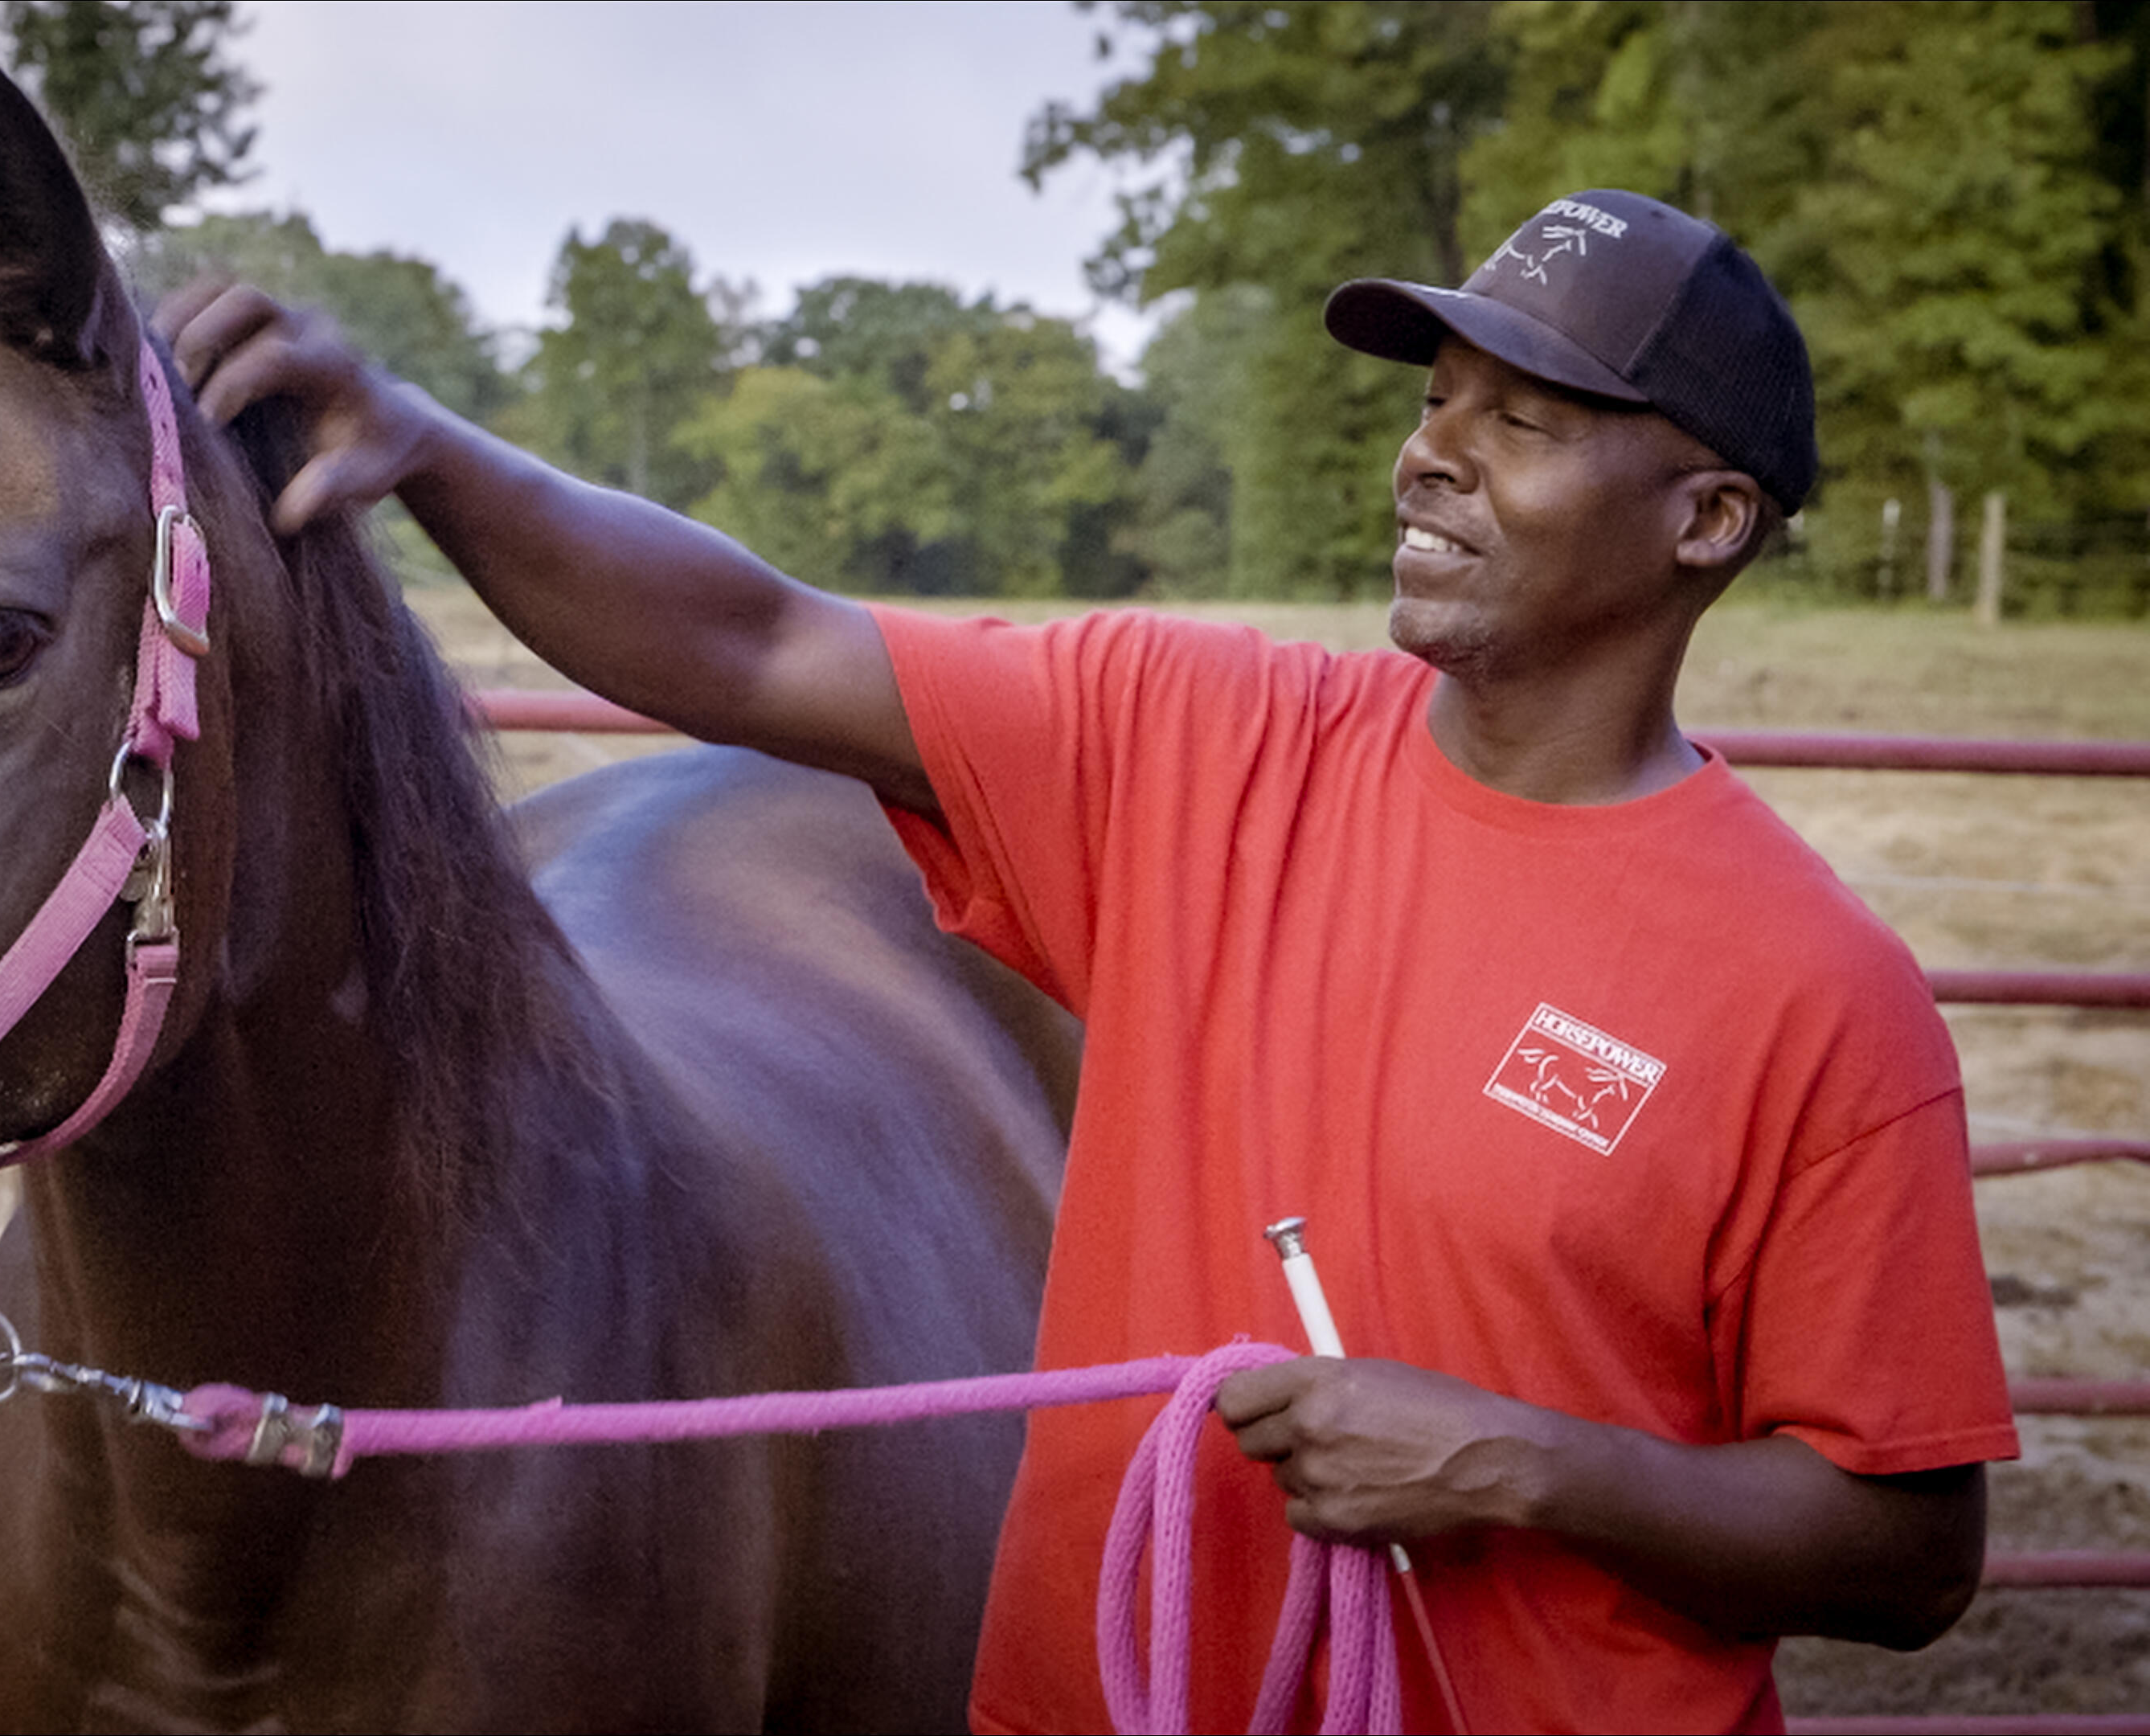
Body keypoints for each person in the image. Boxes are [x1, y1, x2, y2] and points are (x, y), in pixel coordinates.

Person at [163, 189, 2017, 1734]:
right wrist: (431, 450)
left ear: (1707, 523)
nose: (1431, 451)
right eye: (1438, 397)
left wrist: (1520, 1468)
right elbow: (748, 642)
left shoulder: (1812, 995)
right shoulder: (1194, 742)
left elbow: (1909, 1555)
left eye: (1520, 421)